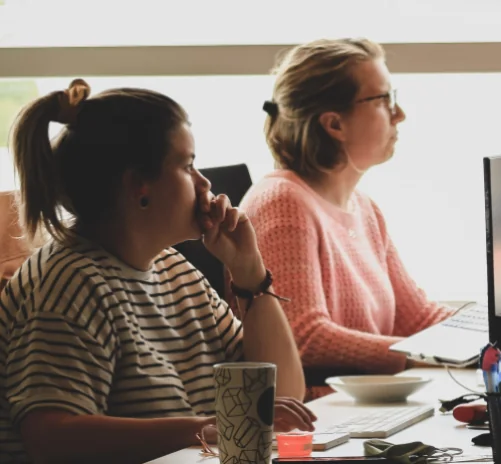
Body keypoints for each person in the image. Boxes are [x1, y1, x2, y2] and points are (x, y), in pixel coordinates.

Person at [0, 80, 315, 463]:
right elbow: (50, 436)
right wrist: (205, 429)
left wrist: (249, 274)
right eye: (187, 165)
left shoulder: (172, 269)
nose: (204, 182)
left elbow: (281, 395)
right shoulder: (69, 283)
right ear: (139, 187)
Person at [244, 38, 452, 399]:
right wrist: (418, 357)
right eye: (384, 99)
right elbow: (304, 337)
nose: (399, 113)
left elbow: (417, 318)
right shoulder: (283, 203)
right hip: (320, 418)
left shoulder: (364, 208)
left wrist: (493, 334)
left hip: (368, 407)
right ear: (334, 124)